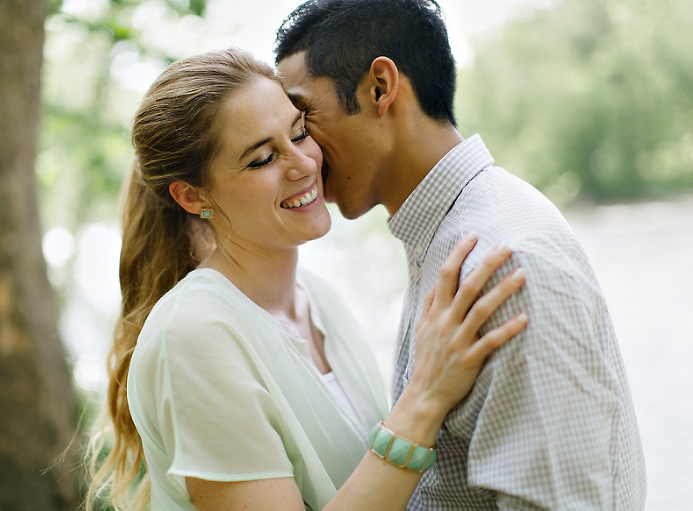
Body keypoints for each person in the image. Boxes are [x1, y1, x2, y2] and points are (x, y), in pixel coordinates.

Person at [85, 48, 529, 511]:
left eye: (299, 133)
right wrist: (425, 398)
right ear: (194, 196)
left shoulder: (321, 300)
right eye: (262, 159)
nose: (303, 164)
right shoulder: (194, 336)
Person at [274, 0, 646, 509]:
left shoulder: (504, 264)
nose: (304, 152)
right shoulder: (450, 236)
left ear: (380, 88)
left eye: (303, 117)